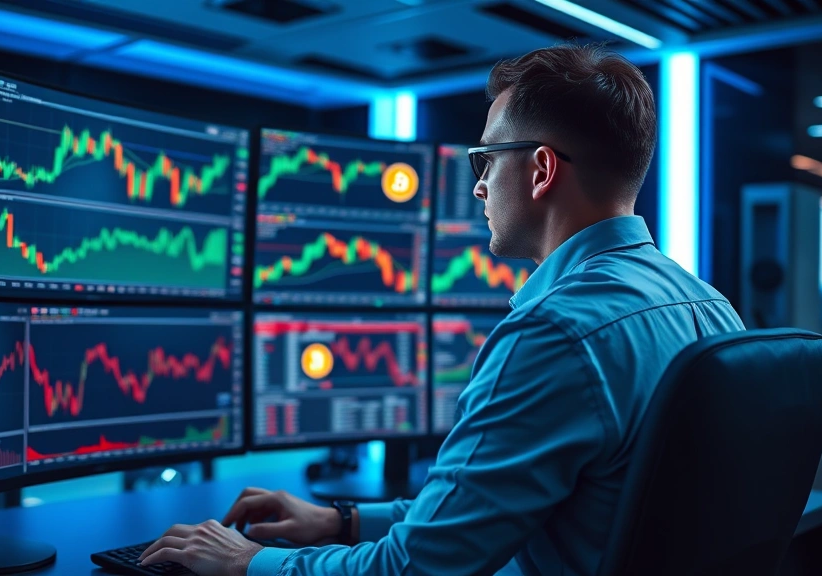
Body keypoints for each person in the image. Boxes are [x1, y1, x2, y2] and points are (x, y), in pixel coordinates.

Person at [138, 43, 746, 576]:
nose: (478, 185)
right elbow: (480, 508)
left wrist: (251, 562)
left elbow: (418, 567)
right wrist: (341, 520)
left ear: (541, 170)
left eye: (487, 159)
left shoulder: (554, 331)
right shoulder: (713, 310)